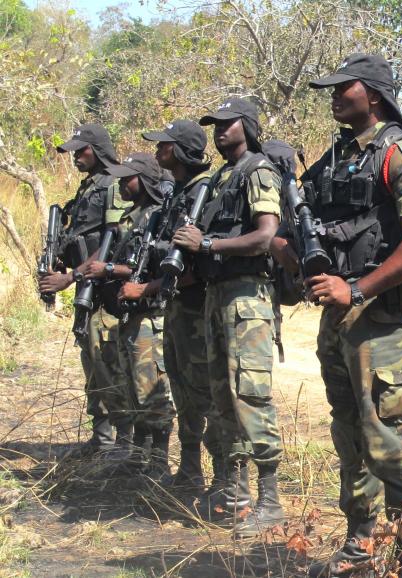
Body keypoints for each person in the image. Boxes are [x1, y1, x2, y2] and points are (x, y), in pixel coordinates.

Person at [278, 54, 402, 577]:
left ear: (372, 94)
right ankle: (361, 541)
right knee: (349, 434)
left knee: (389, 437)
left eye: (341, 88)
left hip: (384, 318)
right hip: (338, 319)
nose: (332, 96)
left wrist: (357, 289)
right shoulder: (334, 157)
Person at [172, 97, 285, 538]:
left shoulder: (257, 170)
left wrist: (208, 245)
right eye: (214, 124)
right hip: (216, 297)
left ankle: (270, 502)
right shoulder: (221, 177)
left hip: (246, 299)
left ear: (248, 126)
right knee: (223, 398)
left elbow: (265, 235)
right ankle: (234, 494)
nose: (219, 129)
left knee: (251, 397)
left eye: (227, 122)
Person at [39, 124, 133, 459]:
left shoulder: (113, 185)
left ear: (98, 149)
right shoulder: (87, 188)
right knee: (91, 360)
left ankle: (125, 439)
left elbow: (114, 239)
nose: (76, 156)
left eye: (82, 150)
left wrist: (71, 277)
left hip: (105, 289)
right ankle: (102, 434)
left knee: (108, 360)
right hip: (86, 288)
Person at [142, 119, 219, 493]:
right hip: (176, 307)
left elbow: (204, 255)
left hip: (198, 307)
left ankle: (225, 480)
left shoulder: (205, 190)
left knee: (208, 392)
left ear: (183, 150)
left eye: (165, 145)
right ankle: (190, 469)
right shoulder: (176, 192)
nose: (158, 151)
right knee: (183, 390)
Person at [93, 153, 177, 481]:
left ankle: (158, 461)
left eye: (127, 178)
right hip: (131, 317)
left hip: (150, 316)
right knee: (133, 389)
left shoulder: (158, 216)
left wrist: (113, 270)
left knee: (153, 389)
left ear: (143, 180)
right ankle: (139, 456)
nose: (121, 183)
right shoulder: (134, 216)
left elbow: (160, 266)